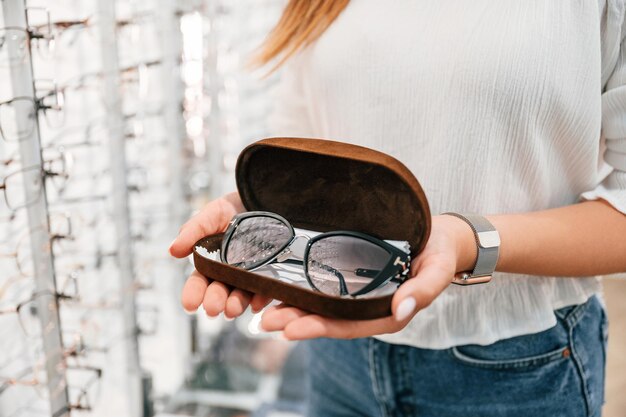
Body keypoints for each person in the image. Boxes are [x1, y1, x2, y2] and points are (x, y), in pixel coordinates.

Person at [170, 1, 626, 416]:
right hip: (336, 338)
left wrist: (466, 242)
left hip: (516, 363)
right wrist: (254, 211)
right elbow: (305, 141)